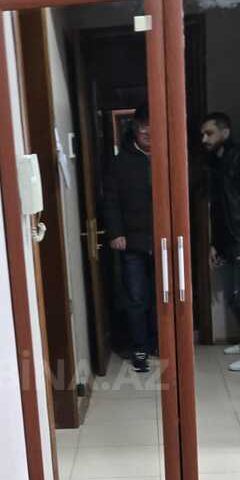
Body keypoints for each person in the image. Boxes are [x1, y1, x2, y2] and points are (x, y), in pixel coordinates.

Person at [200, 111, 240, 372]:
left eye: (209, 133)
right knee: (232, 297)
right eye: (203, 134)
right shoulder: (214, 162)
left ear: (225, 132)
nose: (204, 139)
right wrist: (213, 243)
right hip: (225, 239)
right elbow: (215, 207)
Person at [103, 105, 155, 374]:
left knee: (166, 295)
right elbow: (110, 200)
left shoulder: (169, 155)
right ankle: (140, 348)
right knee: (136, 297)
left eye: (153, 125)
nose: (148, 131)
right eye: (143, 125)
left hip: (166, 240)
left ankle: (162, 343)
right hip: (132, 240)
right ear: (135, 128)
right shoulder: (120, 161)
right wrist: (116, 233)